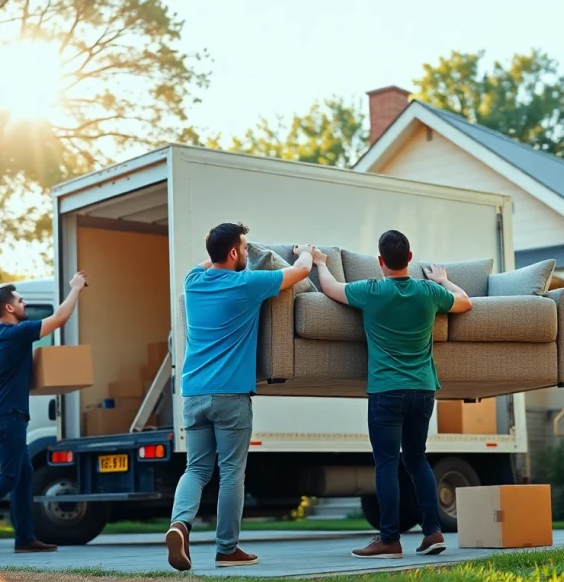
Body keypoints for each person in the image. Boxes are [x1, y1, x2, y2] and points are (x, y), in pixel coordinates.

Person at [311, 230, 472, 559]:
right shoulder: (429, 291)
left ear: (380, 262)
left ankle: (389, 539)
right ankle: (432, 532)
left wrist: (320, 262)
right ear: (410, 259)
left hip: (386, 391)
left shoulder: (371, 291)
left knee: (386, 464)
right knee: (417, 459)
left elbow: (329, 288)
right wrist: (444, 279)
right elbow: (465, 302)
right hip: (423, 390)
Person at [165, 223, 313, 571]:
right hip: (231, 395)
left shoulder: (192, 282)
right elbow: (301, 271)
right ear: (233, 253)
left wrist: (223, 251)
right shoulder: (248, 284)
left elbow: (207, 264)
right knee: (231, 471)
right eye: (243, 249)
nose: (247, 254)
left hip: (193, 394)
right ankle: (227, 549)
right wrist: (308, 250)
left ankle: (179, 524)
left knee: (196, 468)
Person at [0, 272, 88, 555]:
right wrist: (75, 289)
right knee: (10, 475)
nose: (25, 305)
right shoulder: (15, 333)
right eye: (21, 302)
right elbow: (59, 318)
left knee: (23, 474)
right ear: (9, 308)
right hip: (8, 417)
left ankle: (25, 538)